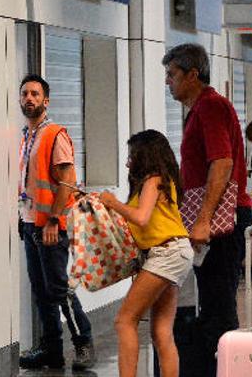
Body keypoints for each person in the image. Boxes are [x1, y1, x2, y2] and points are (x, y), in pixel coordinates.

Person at [162, 43, 252, 376]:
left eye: (172, 75)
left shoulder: (210, 107)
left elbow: (222, 162)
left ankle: (226, 368)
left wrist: (203, 219)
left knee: (219, 306)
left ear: (192, 74)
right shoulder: (202, 109)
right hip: (217, 219)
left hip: (220, 222)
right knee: (215, 302)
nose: (167, 82)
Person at [99, 130, 194, 377]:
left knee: (124, 321)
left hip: (166, 253)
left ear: (145, 156)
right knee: (161, 331)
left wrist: (113, 203)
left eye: (132, 155)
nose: (128, 162)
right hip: (176, 252)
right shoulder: (164, 181)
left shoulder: (153, 180)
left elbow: (141, 218)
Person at [16, 74, 94, 370]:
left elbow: (67, 182)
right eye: (25, 94)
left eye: (35, 94)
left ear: (46, 101)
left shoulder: (54, 134)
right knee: (41, 291)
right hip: (30, 223)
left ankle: (83, 343)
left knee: (59, 289)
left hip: (50, 226)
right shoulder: (27, 136)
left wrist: (54, 220)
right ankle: (52, 350)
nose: (29, 99)